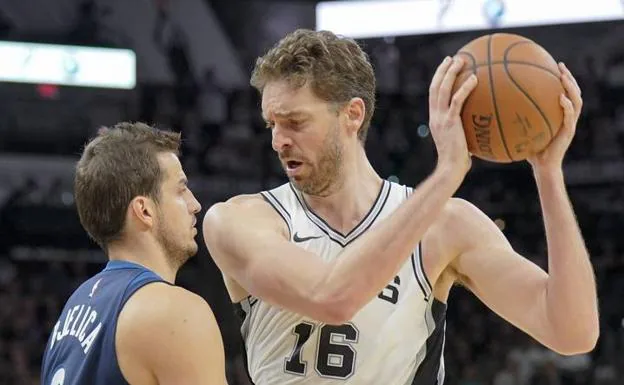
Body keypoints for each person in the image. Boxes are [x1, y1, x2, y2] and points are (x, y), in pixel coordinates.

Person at [202, 29, 599, 384]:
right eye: (272, 124)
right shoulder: (240, 221)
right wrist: (446, 175)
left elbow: (572, 332)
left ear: (352, 114)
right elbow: (332, 298)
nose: (278, 141)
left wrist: (548, 174)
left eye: (295, 122)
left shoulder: (446, 227)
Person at [41, 122, 227, 385]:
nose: (194, 205)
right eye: (181, 190)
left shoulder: (74, 307)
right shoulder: (174, 312)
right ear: (145, 211)